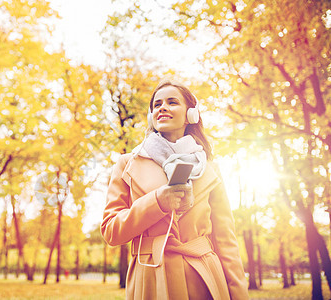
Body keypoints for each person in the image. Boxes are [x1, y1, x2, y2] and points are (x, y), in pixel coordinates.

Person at [101, 79, 249, 299]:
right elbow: (111, 231)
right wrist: (157, 202)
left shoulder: (211, 169)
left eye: (172, 102)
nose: (163, 107)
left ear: (191, 115)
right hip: (150, 278)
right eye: (157, 104)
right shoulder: (127, 163)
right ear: (151, 116)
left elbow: (226, 242)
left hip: (205, 278)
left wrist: (239, 294)